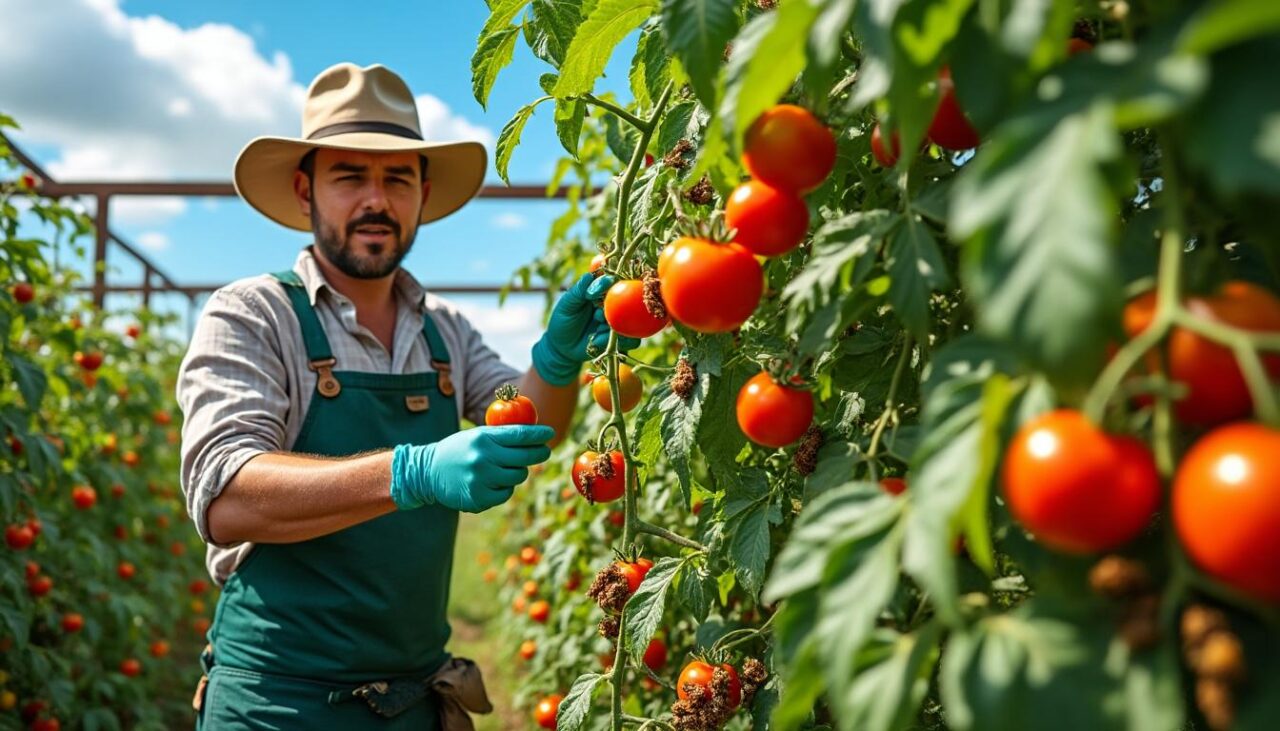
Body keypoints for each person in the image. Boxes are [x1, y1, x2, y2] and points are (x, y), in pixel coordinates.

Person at [176, 62, 635, 730]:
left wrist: (556, 362)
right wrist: (410, 471)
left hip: (414, 703)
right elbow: (226, 496)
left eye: (396, 178)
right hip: (279, 704)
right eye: (349, 176)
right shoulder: (253, 314)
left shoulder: (443, 330)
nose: (375, 199)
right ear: (305, 191)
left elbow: (534, 425)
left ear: (422, 192)